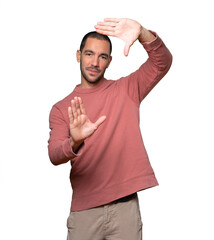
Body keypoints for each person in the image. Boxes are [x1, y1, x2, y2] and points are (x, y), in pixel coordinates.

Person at [48, 18, 172, 240]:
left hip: (125, 208)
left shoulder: (126, 89)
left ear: (109, 61)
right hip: (84, 211)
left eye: (102, 56)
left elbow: (162, 62)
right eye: (89, 54)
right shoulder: (61, 108)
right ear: (78, 56)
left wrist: (143, 33)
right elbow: (54, 154)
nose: (95, 62)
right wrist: (74, 141)